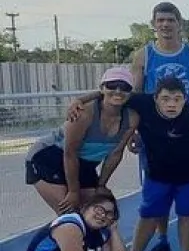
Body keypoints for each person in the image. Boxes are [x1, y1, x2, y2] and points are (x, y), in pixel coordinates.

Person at [69, 76, 189, 251]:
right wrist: (79, 101)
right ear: (155, 98)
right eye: (166, 99)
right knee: (149, 213)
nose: (171, 104)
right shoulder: (141, 102)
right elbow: (107, 93)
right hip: (157, 173)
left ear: (185, 100)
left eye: (177, 99)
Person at [129, 2, 189, 251]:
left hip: (186, 123)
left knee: (188, 192)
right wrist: (132, 132)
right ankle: (161, 240)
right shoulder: (143, 56)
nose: (165, 24)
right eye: (160, 20)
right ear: (153, 24)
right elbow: (133, 95)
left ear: (179, 23)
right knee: (157, 191)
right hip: (153, 128)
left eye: (170, 20)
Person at [27, 67, 137, 215]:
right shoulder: (84, 115)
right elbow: (70, 153)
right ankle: (59, 235)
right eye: (111, 85)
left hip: (83, 164)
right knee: (71, 215)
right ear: (102, 89)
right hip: (49, 158)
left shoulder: (132, 118)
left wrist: (101, 184)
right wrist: (73, 191)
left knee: (101, 213)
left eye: (124, 87)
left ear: (130, 92)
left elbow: (115, 154)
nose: (118, 91)